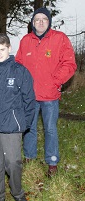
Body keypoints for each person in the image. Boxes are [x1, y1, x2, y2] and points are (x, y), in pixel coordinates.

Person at [15, 7, 77, 176]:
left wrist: (55, 81)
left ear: (49, 22)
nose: (40, 22)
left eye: (44, 19)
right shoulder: (26, 40)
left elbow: (70, 64)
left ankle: (52, 161)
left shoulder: (60, 39)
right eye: (37, 19)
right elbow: (18, 64)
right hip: (29, 95)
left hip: (50, 95)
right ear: (32, 22)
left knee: (50, 128)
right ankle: (29, 156)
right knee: (30, 127)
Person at [0, 33, 35, 201]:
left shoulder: (20, 71)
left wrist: (24, 123)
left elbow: (29, 100)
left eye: (2, 49)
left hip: (12, 126)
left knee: (13, 163)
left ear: (9, 48)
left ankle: (17, 193)